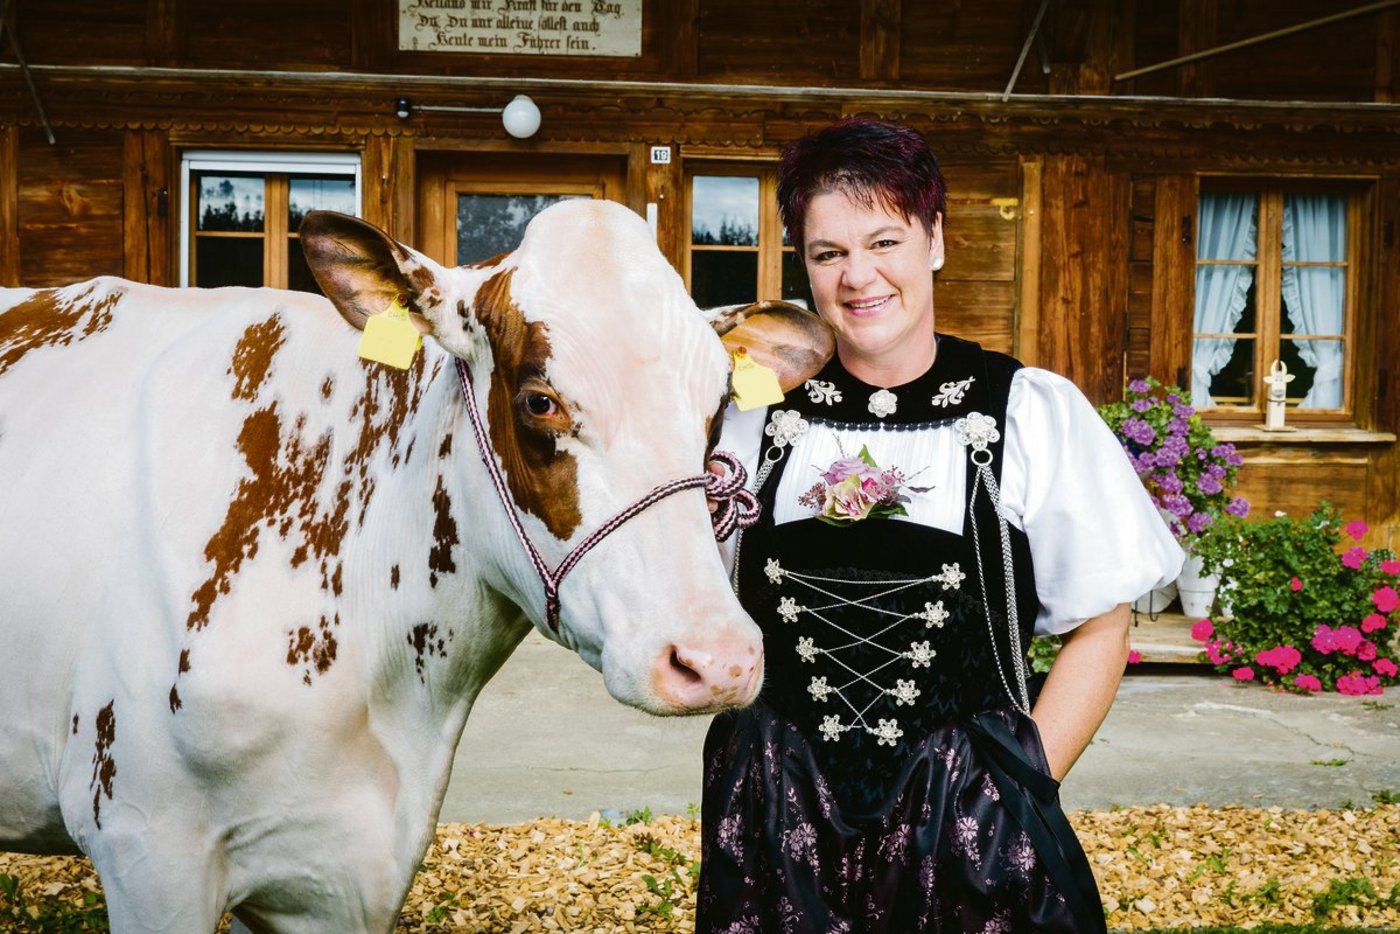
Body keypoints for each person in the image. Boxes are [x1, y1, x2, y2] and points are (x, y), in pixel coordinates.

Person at [698, 118, 1183, 933]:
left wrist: (1024, 782)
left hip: (971, 824)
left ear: (936, 241)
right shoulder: (749, 421)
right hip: (777, 823)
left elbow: (1103, 621)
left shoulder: (1025, 411)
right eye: (828, 254)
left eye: (885, 240)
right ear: (804, 267)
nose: (859, 277)